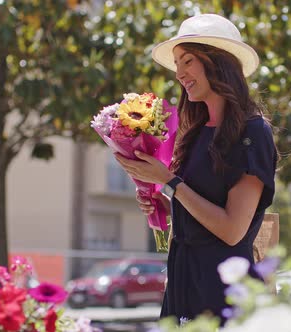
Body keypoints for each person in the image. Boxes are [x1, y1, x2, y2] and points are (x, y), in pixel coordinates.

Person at [114, 13, 277, 325]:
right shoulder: (195, 131)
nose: (179, 73)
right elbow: (199, 214)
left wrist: (170, 183)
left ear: (218, 63)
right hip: (182, 282)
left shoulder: (253, 133)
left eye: (187, 61)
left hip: (224, 294)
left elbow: (231, 231)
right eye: (177, 63)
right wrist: (163, 203)